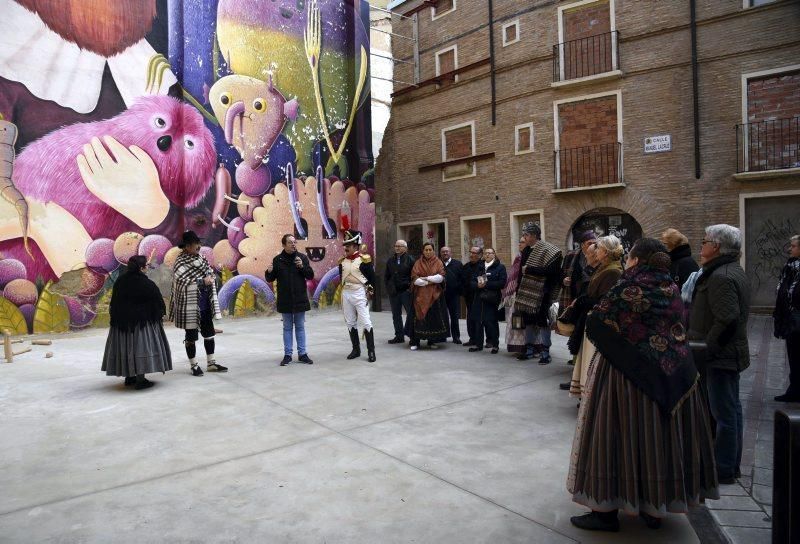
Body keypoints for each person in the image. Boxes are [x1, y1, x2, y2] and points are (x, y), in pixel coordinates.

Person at [568, 238, 718, 532]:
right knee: (660, 440)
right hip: (674, 375)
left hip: (626, 379)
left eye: (631, 259)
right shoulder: (670, 287)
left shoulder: (628, 288)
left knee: (617, 437)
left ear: (637, 260)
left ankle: (606, 511)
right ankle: (655, 507)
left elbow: (597, 320)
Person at [688, 224, 750, 485]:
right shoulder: (729, 270)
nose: (700, 247)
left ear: (716, 246)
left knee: (724, 412)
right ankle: (728, 464)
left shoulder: (721, 276)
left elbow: (726, 320)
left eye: (704, 241)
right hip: (725, 354)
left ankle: (723, 467)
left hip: (720, 356)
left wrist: (706, 349)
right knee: (730, 410)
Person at [102, 255, 172, 390]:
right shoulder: (146, 284)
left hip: (122, 325)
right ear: (141, 268)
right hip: (142, 325)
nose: (147, 268)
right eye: (146, 265)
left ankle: (129, 377)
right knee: (140, 349)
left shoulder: (120, 281)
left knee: (127, 349)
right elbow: (157, 302)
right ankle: (140, 380)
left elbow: (114, 303)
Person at [568, 236, 624, 398]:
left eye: (598, 248)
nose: (595, 251)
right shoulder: (605, 268)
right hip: (592, 319)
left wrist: (581, 301)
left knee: (593, 362)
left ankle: (592, 396)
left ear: (605, 252)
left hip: (601, 323)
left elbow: (604, 300)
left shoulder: (613, 271)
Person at [168, 230, 227, 376]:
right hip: (189, 306)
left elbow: (209, 271)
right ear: (187, 246)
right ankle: (194, 366)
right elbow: (181, 281)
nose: (198, 246)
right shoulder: (180, 262)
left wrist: (211, 277)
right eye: (196, 244)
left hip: (205, 303)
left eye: (199, 243)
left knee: (209, 334)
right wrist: (202, 281)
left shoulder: (202, 258)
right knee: (191, 337)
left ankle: (211, 363)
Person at [514, 223, 562, 364]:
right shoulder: (526, 250)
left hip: (543, 292)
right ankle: (529, 350)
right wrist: (518, 290)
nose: (524, 237)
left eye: (526, 235)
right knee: (528, 321)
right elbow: (520, 273)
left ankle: (545, 352)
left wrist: (530, 270)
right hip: (526, 292)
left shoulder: (550, 251)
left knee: (542, 321)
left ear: (534, 235)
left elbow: (553, 273)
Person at [266, 234, 315, 366]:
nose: (293, 244)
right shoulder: (278, 260)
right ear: (283, 245)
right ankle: (287, 355)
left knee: (300, 326)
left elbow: (310, 275)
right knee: (287, 327)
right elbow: (270, 278)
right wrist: (268, 271)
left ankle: (302, 354)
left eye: (294, 242)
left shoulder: (302, 258)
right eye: (290, 242)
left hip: (300, 298)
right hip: (285, 299)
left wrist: (302, 267)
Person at [339, 229, 377, 362]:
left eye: (348, 245)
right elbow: (341, 278)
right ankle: (356, 349)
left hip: (359, 292)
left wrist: (370, 292)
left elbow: (372, 278)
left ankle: (371, 351)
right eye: (345, 245)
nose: (346, 248)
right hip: (347, 293)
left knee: (366, 321)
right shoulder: (342, 262)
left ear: (355, 246)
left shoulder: (364, 260)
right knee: (350, 322)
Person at [772, 234, 800, 402]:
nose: (790, 249)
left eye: (793, 246)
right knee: (794, 357)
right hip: (791, 321)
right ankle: (795, 390)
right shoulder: (790, 267)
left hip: (797, 319)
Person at [409, 242, 449, 350]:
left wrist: (425, 278)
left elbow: (440, 277)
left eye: (430, 250)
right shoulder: (418, 263)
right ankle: (415, 342)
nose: (428, 252)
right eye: (426, 250)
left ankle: (431, 341)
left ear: (433, 251)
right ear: (423, 251)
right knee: (418, 318)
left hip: (434, 296)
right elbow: (415, 279)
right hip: (420, 296)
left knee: (432, 319)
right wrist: (429, 280)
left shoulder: (438, 262)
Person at [468, 248, 507, 354]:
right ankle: (478, 345)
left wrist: (487, 284)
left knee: (491, 322)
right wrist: (477, 285)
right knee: (477, 321)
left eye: (490, 253)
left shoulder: (500, 267)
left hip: (491, 298)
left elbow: (502, 283)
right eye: (486, 253)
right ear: (483, 255)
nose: (488, 255)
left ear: (494, 254)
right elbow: (471, 281)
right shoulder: (479, 267)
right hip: (478, 298)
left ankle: (495, 345)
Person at [385, 239, 415, 344]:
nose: (397, 248)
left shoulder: (411, 260)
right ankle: (399, 336)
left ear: (405, 248)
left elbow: (414, 276)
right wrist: (389, 287)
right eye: (396, 246)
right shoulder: (390, 260)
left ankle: (412, 336)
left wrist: (409, 287)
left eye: (400, 246)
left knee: (411, 314)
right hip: (394, 293)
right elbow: (387, 276)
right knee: (396, 315)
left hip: (406, 292)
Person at [502, 237, 527, 354]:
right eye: (520, 242)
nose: (520, 244)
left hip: (528, 293)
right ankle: (517, 347)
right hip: (516, 294)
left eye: (522, 242)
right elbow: (513, 275)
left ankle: (530, 347)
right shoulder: (518, 257)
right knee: (516, 320)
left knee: (528, 322)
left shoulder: (531, 257)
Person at [440, 246, 464, 344]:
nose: (445, 253)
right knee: (442, 316)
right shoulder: (437, 263)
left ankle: (456, 337)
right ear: (440, 253)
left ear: (450, 253)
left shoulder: (458, 264)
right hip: (440, 295)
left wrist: (458, 290)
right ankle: (442, 336)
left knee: (454, 317)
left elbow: (462, 279)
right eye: (443, 252)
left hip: (454, 295)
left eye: (447, 251)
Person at [461, 246, 483, 347]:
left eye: (474, 253)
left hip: (479, 296)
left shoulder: (483, 266)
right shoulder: (466, 267)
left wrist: (474, 285)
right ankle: (472, 338)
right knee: (470, 318)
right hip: (468, 297)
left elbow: (481, 282)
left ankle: (482, 340)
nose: (471, 255)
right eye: (471, 252)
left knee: (480, 320)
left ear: (479, 255)